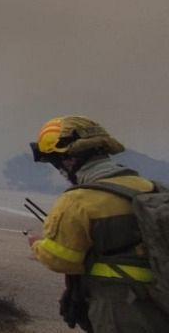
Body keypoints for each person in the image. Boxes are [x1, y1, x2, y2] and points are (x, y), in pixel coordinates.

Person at [28, 116, 168, 332]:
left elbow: (63, 260)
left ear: (69, 160)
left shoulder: (78, 200)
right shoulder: (151, 188)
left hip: (119, 304)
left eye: (57, 162)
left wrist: (38, 244)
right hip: (160, 301)